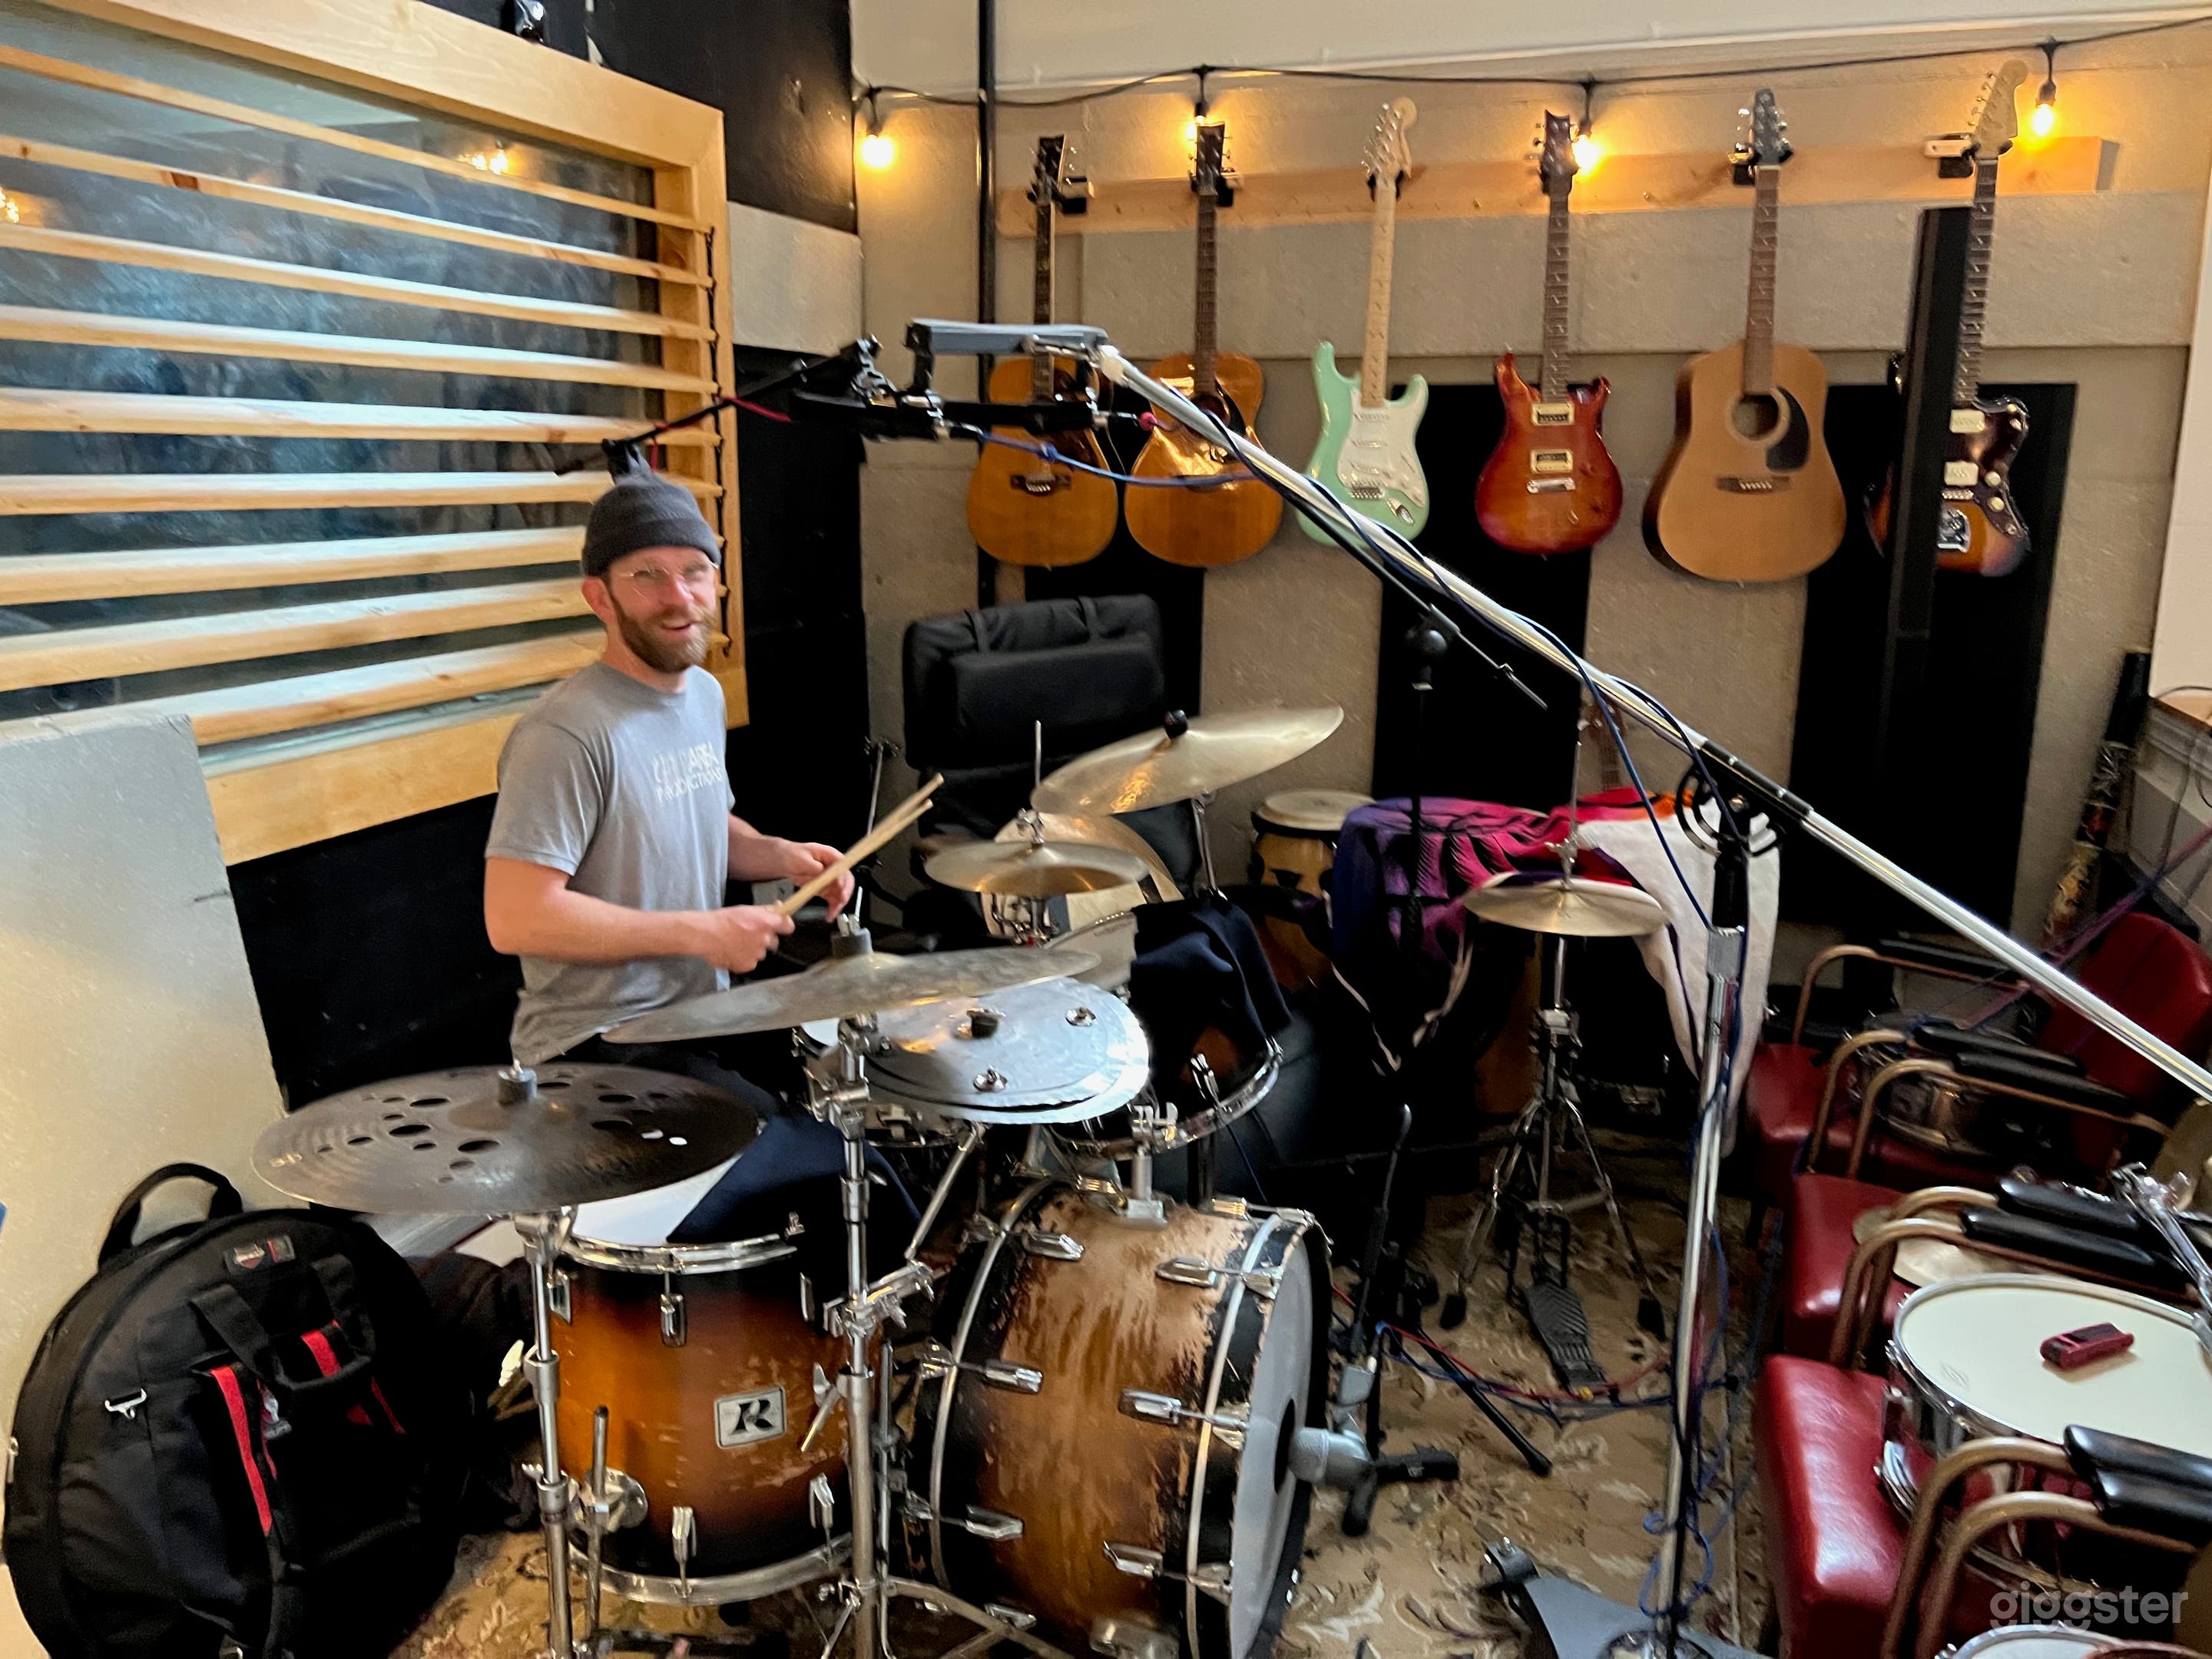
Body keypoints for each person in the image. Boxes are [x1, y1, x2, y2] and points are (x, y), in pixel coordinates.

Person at [482, 469, 856, 1097]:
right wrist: (699, 932)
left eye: (694, 571)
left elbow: (697, 821)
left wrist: (779, 854)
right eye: (646, 575)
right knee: (800, 1161)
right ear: (600, 598)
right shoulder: (566, 732)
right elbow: (517, 917)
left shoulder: (702, 696)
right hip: (597, 1041)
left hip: (694, 1014)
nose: (679, 597)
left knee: (853, 1106)